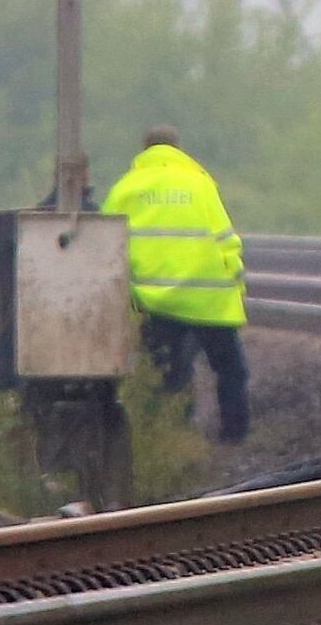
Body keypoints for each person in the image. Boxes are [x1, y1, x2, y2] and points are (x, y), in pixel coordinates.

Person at [102, 128, 250, 442]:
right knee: (229, 369)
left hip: (157, 300)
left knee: (168, 375)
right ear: (177, 148)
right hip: (210, 298)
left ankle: (175, 437)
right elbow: (227, 239)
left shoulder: (126, 188)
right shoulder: (201, 184)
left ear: (144, 150)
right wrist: (235, 281)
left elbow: (105, 247)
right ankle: (234, 435)